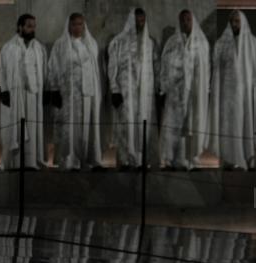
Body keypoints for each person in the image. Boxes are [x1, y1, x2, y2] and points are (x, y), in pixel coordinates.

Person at [47, 13, 104, 170]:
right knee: (71, 126)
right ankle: (70, 160)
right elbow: (53, 67)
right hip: (69, 94)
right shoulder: (61, 45)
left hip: (88, 92)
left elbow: (96, 69)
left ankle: (89, 158)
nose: (78, 27)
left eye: (80, 24)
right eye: (74, 24)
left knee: (88, 125)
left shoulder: (91, 43)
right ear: (69, 25)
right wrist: (54, 88)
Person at [108, 8, 159, 170]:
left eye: (142, 20)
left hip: (145, 91)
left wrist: (158, 88)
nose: (140, 24)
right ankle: (125, 160)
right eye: (137, 20)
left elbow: (155, 66)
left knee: (143, 124)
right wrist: (114, 89)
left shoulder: (150, 43)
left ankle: (142, 160)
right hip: (126, 90)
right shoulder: (118, 41)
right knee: (127, 125)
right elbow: (113, 66)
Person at [158, 9, 209, 170]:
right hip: (175, 93)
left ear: (193, 21)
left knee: (191, 125)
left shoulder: (201, 43)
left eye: (188, 20)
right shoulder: (172, 43)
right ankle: (169, 159)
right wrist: (163, 89)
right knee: (172, 125)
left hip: (193, 93)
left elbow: (206, 69)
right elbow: (164, 67)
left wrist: (205, 89)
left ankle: (191, 159)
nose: (185, 23)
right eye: (182, 20)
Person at [210, 10, 256, 170]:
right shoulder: (221, 43)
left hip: (246, 92)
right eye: (232, 21)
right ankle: (229, 159)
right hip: (228, 94)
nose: (234, 24)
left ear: (242, 22)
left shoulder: (253, 42)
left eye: (237, 21)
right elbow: (216, 69)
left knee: (247, 124)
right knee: (230, 125)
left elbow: (255, 70)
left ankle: (248, 158)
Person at [0, 14, 46, 170]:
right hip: (14, 94)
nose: (32, 29)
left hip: (32, 94)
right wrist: (4, 90)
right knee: (15, 127)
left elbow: (43, 71)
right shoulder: (9, 47)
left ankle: (30, 162)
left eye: (34, 26)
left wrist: (42, 90)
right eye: (29, 26)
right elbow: (1, 70)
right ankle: (14, 163)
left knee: (31, 127)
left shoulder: (38, 48)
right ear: (20, 27)